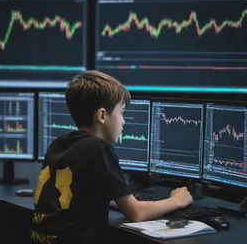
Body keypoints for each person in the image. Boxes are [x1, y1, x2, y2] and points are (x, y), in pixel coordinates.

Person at [29, 70, 193, 244]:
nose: (123, 121)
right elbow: (136, 212)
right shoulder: (98, 148)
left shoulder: (59, 143)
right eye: (121, 112)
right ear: (102, 115)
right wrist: (176, 201)